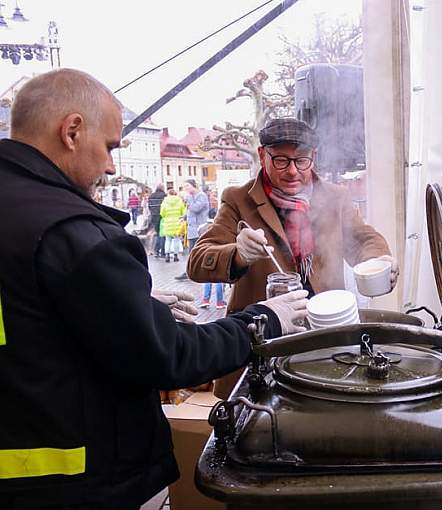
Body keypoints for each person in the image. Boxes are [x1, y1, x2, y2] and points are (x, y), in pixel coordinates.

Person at [0, 68, 311, 509]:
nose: (110, 166)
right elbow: (170, 355)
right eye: (109, 147)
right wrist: (266, 316)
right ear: (71, 131)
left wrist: (128, 304)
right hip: (72, 479)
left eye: (302, 160)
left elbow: (31, 311)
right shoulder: (72, 230)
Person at [188, 117, 398, 397]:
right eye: (281, 161)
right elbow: (198, 262)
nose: (292, 172)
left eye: (302, 161)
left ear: (314, 156)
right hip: (264, 343)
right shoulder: (239, 199)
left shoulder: (335, 197)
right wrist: (237, 255)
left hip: (325, 338)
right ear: (263, 155)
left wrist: (380, 260)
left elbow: (363, 240)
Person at [174, 178, 209, 280]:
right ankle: (189, 272)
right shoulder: (190, 197)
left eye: (187, 186)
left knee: (199, 251)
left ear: (193, 185)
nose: (186, 188)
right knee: (191, 252)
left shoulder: (202, 196)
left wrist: (187, 201)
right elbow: (190, 211)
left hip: (200, 229)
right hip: (191, 229)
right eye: (184, 187)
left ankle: (199, 271)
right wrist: (184, 217)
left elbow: (196, 208)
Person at [159, 187, 185, 262]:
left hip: (167, 222)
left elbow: (162, 213)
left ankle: (167, 255)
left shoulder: (165, 201)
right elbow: (183, 211)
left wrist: (166, 216)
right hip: (177, 222)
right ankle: (175, 256)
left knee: (168, 240)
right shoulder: (179, 201)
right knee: (176, 240)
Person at [148, 183, 166, 257]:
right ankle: (162, 252)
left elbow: (149, 206)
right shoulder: (164, 195)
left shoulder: (151, 196)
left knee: (158, 233)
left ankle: (156, 251)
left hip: (154, 216)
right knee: (162, 234)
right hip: (162, 216)